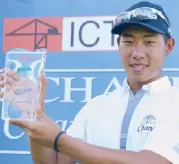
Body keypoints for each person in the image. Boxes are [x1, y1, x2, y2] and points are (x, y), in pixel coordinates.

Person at [1, 1, 179, 164]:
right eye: (128, 41)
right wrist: (35, 112)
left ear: (168, 46)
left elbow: (154, 161)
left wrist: (59, 139)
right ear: (118, 44)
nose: (137, 53)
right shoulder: (96, 106)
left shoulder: (175, 100)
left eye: (149, 42)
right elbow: (53, 163)